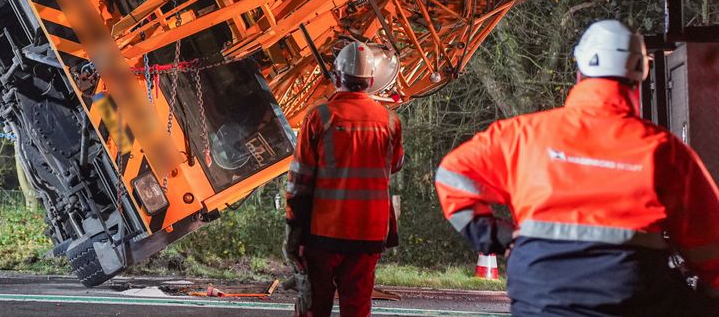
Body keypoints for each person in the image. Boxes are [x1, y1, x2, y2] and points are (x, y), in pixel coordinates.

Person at [435, 19, 719, 316]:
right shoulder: (663, 149)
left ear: (580, 71)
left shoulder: (523, 135)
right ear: (639, 75)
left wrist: (496, 236)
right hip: (632, 298)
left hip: (540, 296)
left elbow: (453, 174)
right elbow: (710, 239)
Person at [284, 41, 404, 317]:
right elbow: (395, 164)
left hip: (324, 233)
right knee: (357, 308)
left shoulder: (320, 116)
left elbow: (299, 182)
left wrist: (294, 231)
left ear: (337, 77)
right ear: (372, 81)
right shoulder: (390, 121)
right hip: (369, 234)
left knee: (315, 305)